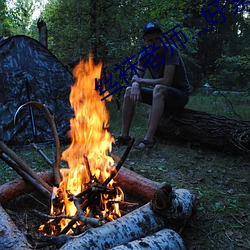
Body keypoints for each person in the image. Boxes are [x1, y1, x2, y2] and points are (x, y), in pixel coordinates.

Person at [115, 22, 191, 148]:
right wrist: (135, 85)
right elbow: (136, 78)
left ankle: (149, 139)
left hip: (179, 95)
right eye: (150, 40)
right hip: (161, 95)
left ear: (161, 37)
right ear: (145, 41)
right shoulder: (144, 56)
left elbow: (167, 81)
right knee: (129, 91)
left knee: (159, 88)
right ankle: (124, 136)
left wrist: (140, 81)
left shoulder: (171, 51)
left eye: (157, 39)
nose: (154, 42)